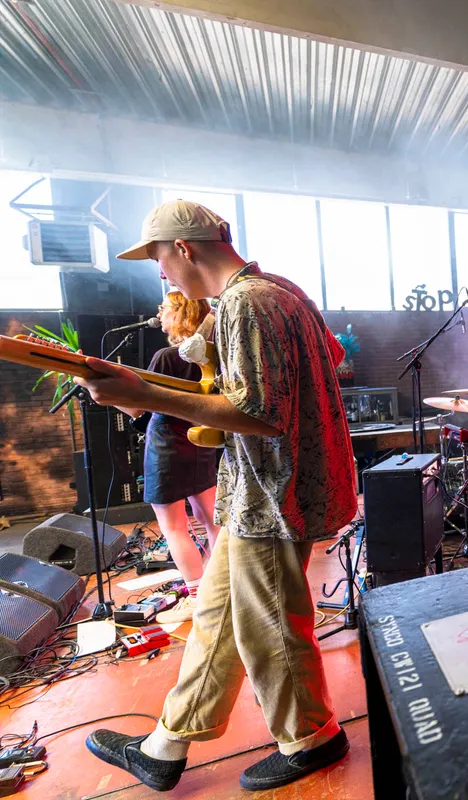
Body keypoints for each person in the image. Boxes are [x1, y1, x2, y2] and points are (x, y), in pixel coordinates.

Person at [76, 200, 357, 792]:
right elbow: (329, 357)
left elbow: (260, 413)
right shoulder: (281, 290)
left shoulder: (245, 303)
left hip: (272, 492)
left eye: (158, 258)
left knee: (268, 624)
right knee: (218, 615)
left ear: (183, 248)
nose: (160, 273)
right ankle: (165, 746)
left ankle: (313, 738)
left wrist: (144, 395)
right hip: (268, 486)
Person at [124, 292, 221, 624]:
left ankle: (197, 598)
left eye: (164, 308)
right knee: (211, 521)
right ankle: (221, 590)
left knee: (174, 527)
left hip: (166, 446)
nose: (159, 313)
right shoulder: (211, 353)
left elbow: (137, 408)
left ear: (181, 313)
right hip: (200, 441)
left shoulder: (166, 357)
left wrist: (100, 390)